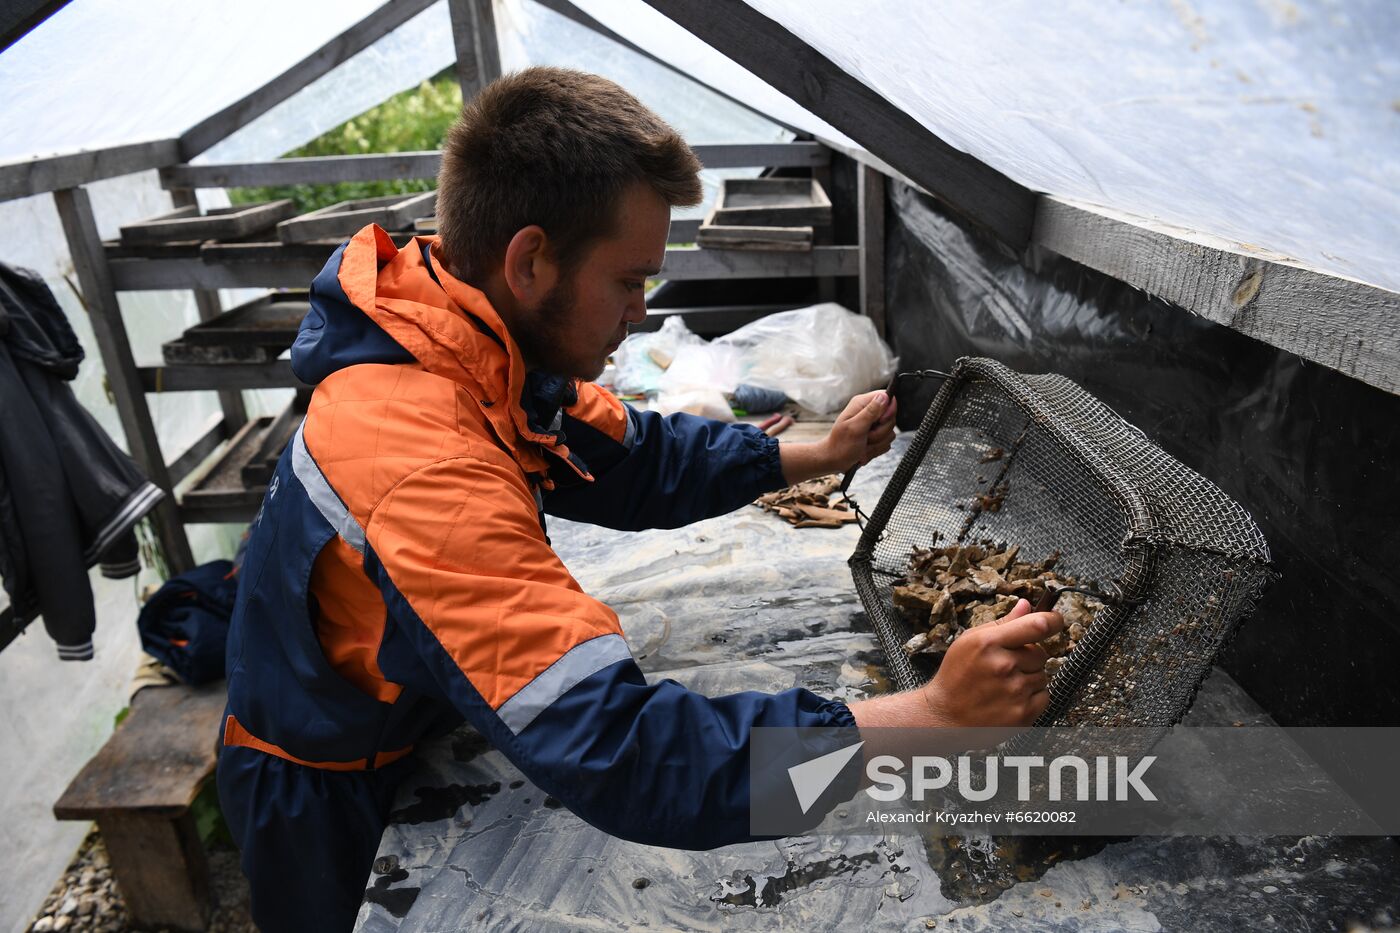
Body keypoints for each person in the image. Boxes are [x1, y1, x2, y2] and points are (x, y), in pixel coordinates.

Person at [216, 66, 1062, 931]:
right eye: (628, 280)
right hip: (323, 792)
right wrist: (922, 719)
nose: (642, 310)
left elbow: (637, 456)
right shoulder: (424, 460)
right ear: (531, 260)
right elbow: (621, 755)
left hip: (406, 708)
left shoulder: (470, 344)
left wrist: (813, 454)